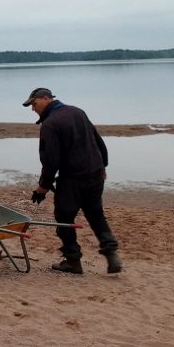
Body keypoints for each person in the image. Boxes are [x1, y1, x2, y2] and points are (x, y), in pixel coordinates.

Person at [23, 88, 122, 275]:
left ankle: (73, 261)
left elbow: (50, 161)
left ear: (46, 99)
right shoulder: (78, 111)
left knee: (64, 219)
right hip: (95, 174)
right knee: (96, 214)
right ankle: (112, 254)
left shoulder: (50, 124)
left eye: (34, 104)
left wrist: (42, 187)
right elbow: (97, 140)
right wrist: (103, 166)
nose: (33, 109)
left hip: (72, 180)